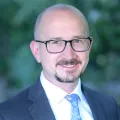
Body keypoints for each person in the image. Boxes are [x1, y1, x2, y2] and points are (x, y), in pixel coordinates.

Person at [0, 4, 119, 120]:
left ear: (89, 46)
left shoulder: (110, 108)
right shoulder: (6, 115)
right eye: (56, 42)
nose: (69, 54)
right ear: (36, 51)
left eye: (77, 40)